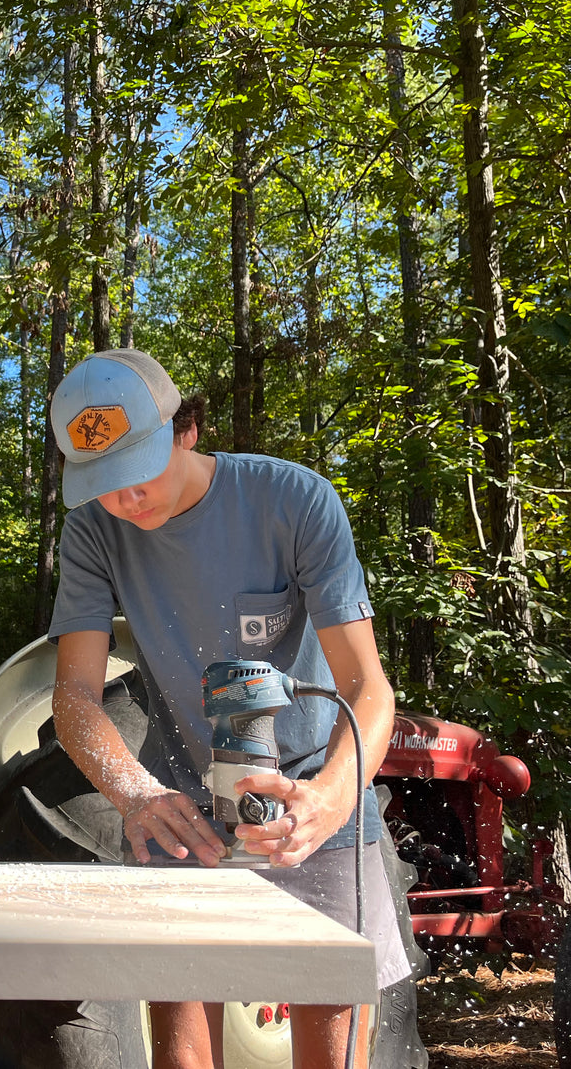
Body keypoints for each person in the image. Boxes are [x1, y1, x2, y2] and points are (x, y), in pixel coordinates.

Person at [46, 348, 410, 1069]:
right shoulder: (91, 531)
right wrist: (135, 795)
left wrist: (329, 800)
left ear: (185, 428)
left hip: (312, 787)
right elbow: (75, 698)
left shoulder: (291, 500)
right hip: (174, 799)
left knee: (332, 1048)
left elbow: (368, 688)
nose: (123, 500)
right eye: (102, 483)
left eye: (134, 472)